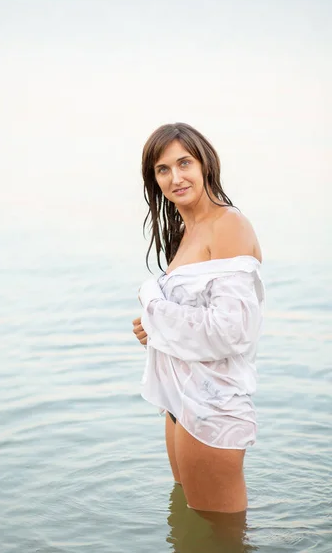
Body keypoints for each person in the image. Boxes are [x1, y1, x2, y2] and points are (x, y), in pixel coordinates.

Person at [132, 122, 265, 514]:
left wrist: (152, 306)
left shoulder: (229, 225)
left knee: (223, 538)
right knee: (187, 529)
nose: (175, 177)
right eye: (162, 169)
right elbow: (194, 319)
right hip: (180, 403)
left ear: (205, 162)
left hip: (213, 406)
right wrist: (151, 332)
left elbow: (232, 331)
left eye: (184, 162)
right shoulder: (186, 231)